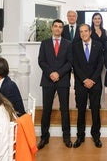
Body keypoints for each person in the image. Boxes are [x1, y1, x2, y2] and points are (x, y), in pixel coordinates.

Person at [38, 19, 73, 149]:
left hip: (63, 80)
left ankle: (67, 137)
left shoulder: (68, 44)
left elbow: (70, 62)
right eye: (56, 26)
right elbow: (41, 61)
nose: (58, 29)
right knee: (46, 109)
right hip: (48, 80)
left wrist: (58, 73)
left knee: (64, 110)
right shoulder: (45, 43)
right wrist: (51, 73)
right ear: (52, 28)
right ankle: (44, 137)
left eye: (60, 27)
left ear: (62, 29)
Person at [72, 24, 103, 148]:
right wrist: (85, 79)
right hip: (81, 83)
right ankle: (80, 136)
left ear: (90, 32)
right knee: (81, 111)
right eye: (81, 32)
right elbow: (75, 65)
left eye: (85, 31)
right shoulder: (75, 46)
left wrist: (92, 80)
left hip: (95, 84)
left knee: (95, 110)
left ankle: (96, 136)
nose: (83, 34)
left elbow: (100, 64)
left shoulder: (99, 45)